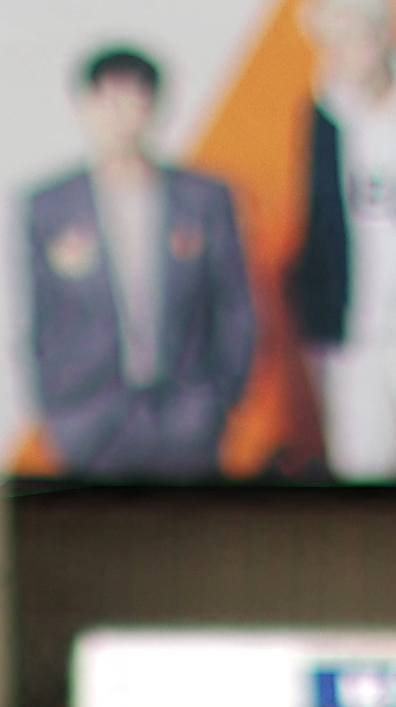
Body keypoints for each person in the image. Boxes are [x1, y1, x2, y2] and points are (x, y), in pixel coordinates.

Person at [15, 49, 257, 481]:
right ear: (83, 107)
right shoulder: (49, 205)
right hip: (89, 419)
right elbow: (41, 318)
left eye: (133, 100)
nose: (119, 116)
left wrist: (219, 398)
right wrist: (59, 409)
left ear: (155, 108)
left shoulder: (203, 199)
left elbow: (235, 304)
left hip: (187, 415)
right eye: (105, 100)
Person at [271, 0, 396, 484]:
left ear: (388, 34)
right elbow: (320, 225)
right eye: (333, 41)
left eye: (358, 35)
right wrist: (320, 330)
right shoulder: (325, 115)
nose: (346, 52)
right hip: (355, 341)